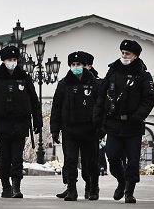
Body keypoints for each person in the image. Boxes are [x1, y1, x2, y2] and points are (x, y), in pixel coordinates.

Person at [93, 39, 154, 203]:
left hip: (132, 125)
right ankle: (121, 181)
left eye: (127, 53)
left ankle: (129, 191)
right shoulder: (113, 72)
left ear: (135, 56)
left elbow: (149, 99)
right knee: (112, 156)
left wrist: (137, 117)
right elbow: (102, 96)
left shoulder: (143, 75)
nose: (124, 56)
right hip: (113, 123)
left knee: (133, 160)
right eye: (122, 53)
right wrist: (98, 121)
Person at [0, 45, 43, 198]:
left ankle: (16, 185)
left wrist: (38, 121)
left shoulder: (25, 79)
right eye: (9, 59)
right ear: (3, 61)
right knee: (5, 156)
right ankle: (5, 185)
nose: (12, 62)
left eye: (14, 59)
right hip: (3, 124)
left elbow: (34, 101)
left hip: (21, 124)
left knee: (17, 157)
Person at [50, 51, 101, 201]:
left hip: (89, 130)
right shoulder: (63, 84)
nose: (75, 67)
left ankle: (93, 187)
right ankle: (71, 189)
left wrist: (101, 128)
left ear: (85, 66)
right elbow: (56, 108)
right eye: (73, 64)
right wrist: (55, 129)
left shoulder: (95, 84)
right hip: (70, 129)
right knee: (70, 160)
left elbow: (101, 107)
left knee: (90, 161)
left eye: (78, 64)